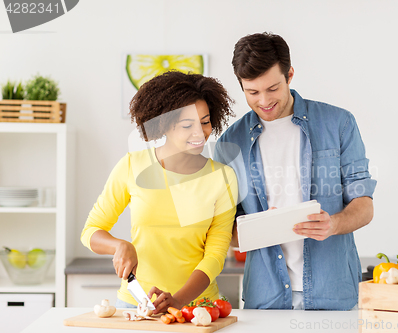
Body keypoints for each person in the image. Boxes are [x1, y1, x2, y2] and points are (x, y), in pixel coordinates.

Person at [214, 32, 377, 310]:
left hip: (334, 292)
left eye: (273, 88)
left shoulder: (338, 123)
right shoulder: (230, 143)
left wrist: (333, 224)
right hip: (266, 298)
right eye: (252, 92)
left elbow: (364, 205)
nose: (264, 101)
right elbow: (224, 231)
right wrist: (261, 229)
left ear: (289, 75)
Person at [81, 71, 238, 314]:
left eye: (205, 122)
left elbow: (216, 254)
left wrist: (178, 300)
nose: (199, 133)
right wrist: (119, 246)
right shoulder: (133, 165)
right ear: (164, 124)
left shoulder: (223, 177)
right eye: (187, 125)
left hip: (197, 309)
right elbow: (90, 231)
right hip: (136, 304)